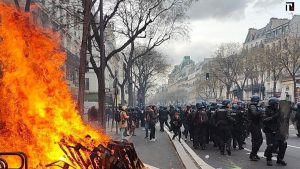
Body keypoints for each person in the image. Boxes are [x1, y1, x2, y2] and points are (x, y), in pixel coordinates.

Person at [263, 97, 287, 166]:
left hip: (278, 129)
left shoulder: (279, 110)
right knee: (271, 145)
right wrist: (274, 117)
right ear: (272, 104)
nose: (277, 105)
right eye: (276, 104)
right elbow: (264, 120)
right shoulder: (267, 110)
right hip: (269, 130)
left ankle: (280, 159)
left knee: (283, 144)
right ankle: (269, 159)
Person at [248, 95, 263, 161]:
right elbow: (254, 114)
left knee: (259, 140)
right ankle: (253, 154)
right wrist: (261, 111)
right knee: (257, 140)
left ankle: (254, 153)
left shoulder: (257, 106)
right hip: (253, 124)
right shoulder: (252, 106)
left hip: (257, 124)